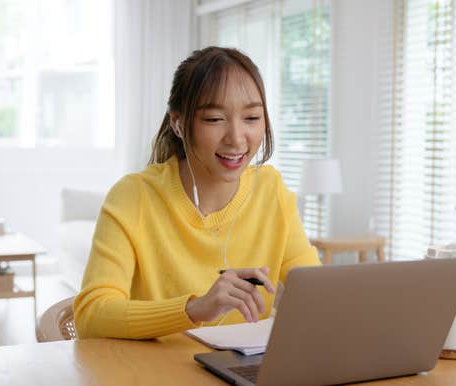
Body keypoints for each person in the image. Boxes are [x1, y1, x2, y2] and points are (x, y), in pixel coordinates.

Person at [74, 47, 321, 339]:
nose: (237, 138)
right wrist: (195, 309)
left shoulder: (271, 191)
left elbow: (316, 293)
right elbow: (92, 314)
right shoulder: (134, 197)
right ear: (178, 123)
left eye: (252, 118)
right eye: (215, 119)